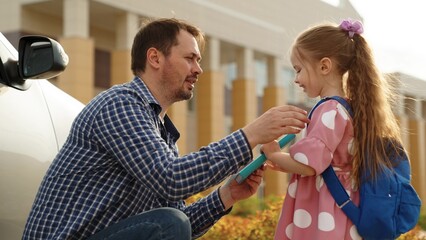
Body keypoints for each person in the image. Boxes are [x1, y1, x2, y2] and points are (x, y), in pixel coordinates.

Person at [22, 18, 309, 240]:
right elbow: (170, 180)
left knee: (173, 221)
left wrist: (227, 195)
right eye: (189, 58)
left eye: (199, 60)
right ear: (155, 58)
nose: (198, 69)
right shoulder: (119, 104)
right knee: (171, 222)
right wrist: (251, 134)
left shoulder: (163, 137)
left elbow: (179, 222)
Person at [261, 19, 406, 239]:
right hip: (342, 208)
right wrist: (283, 162)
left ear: (324, 66)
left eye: (298, 69)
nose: (296, 79)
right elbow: (323, 162)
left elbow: (310, 166)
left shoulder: (329, 109)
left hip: (325, 208)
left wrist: (272, 153)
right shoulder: (349, 109)